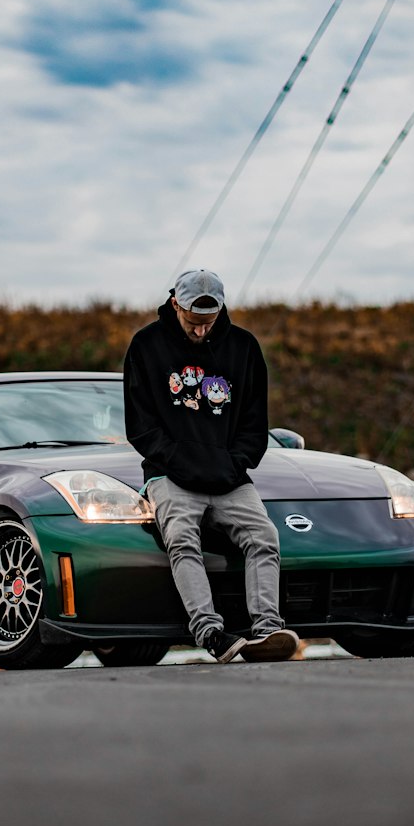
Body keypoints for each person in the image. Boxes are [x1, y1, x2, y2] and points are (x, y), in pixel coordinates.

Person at [123, 268, 299, 663]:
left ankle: (268, 630)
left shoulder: (244, 348)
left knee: (264, 537)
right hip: (170, 475)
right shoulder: (146, 346)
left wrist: (234, 463)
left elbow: (255, 424)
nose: (201, 332)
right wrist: (180, 462)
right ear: (175, 305)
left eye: (209, 323)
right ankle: (212, 634)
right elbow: (141, 426)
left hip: (229, 476)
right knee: (183, 541)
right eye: (192, 323)